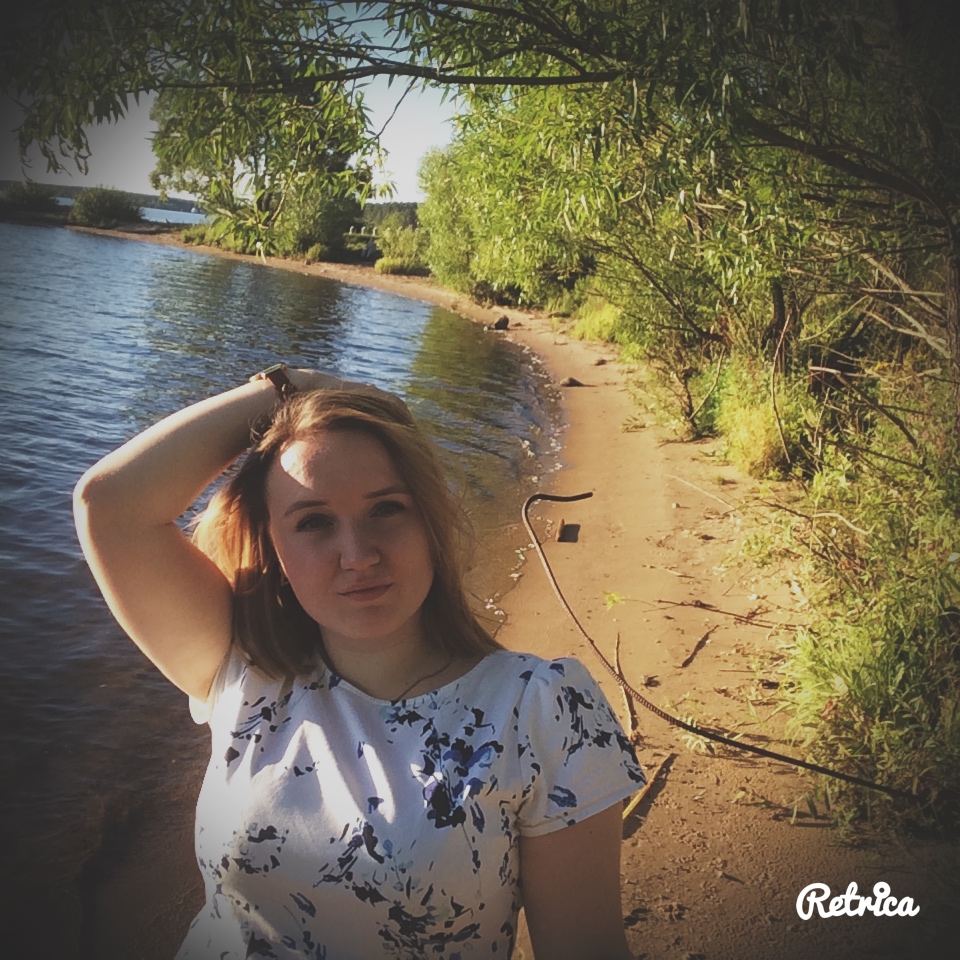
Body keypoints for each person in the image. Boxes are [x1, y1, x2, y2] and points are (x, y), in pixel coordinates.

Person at [74, 365, 644, 959]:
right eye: (314, 522)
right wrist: (287, 387)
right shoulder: (243, 668)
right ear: (274, 548)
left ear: (431, 521)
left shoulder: (541, 708)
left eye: (386, 509)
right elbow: (108, 504)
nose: (357, 554)